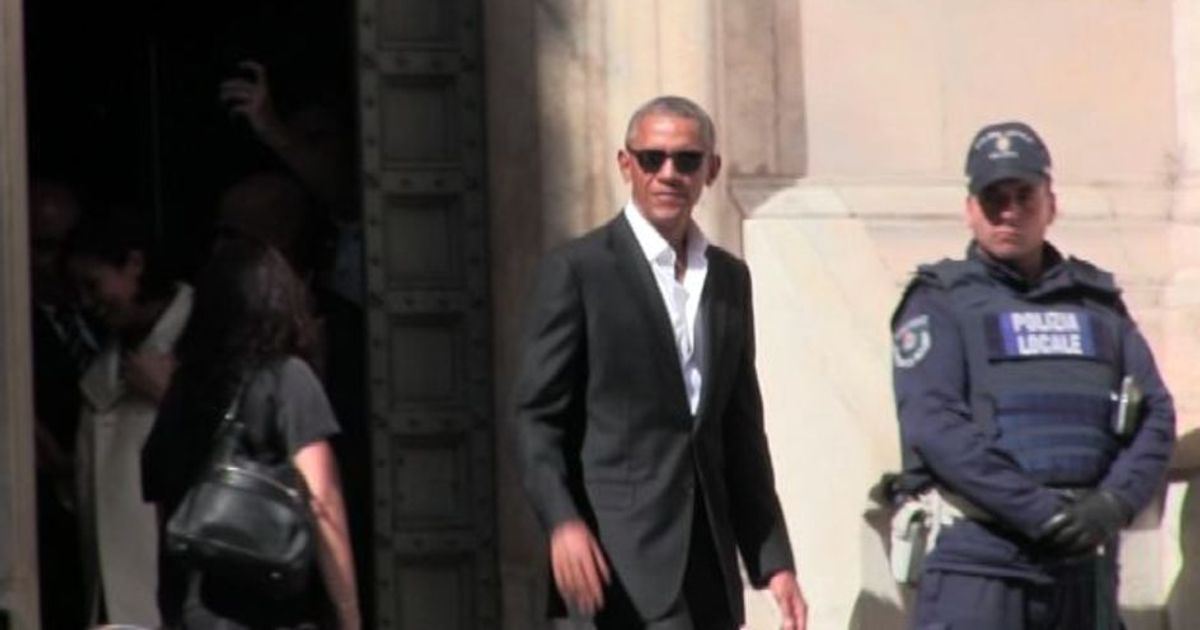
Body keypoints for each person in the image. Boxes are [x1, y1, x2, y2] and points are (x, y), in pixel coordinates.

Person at [512, 95, 807, 630]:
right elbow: (536, 419)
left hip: (706, 574)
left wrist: (773, 561)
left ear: (711, 170)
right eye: (652, 158)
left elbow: (739, 433)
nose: (669, 173)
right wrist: (562, 522)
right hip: (614, 569)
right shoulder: (578, 271)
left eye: (687, 160)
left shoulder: (728, 280)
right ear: (626, 164)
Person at [889, 121, 1176, 629]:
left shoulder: (1097, 304)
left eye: (1024, 195)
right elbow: (936, 428)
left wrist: (1113, 503)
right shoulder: (940, 301)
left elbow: (1155, 413)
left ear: (1051, 203)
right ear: (970, 209)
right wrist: (1040, 512)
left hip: (1084, 568)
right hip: (981, 568)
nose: (1009, 211)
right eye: (993, 197)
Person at [142, 236, 360, 629]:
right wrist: (348, 615)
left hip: (195, 610)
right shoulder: (289, 379)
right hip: (272, 611)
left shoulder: (180, 392)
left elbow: (163, 509)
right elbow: (323, 500)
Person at [67, 208, 191, 628]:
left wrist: (169, 398)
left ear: (134, 264)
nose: (87, 303)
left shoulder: (207, 331)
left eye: (93, 284)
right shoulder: (104, 367)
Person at [28, 178, 97, 630]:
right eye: (45, 247)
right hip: (47, 518)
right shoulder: (16, 325)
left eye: (70, 244)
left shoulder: (103, 312)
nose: (61, 262)